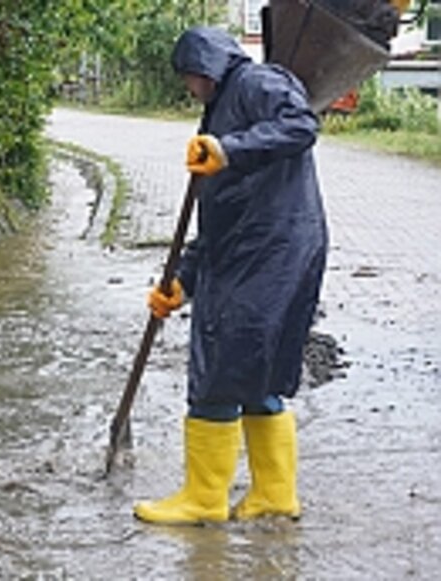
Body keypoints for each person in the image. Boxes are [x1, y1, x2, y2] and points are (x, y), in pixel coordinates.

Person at [134, 27, 327, 524]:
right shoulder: (222, 109)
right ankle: (275, 494)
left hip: (267, 253)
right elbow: (217, 218)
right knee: (255, 370)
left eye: (188, 79)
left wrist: (229, 148)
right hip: (258, 250)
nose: (188, 89)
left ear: (205, 68)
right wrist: (182, 280)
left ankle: (203, 500)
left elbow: (302, 125)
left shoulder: (260, 84)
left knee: (221, 366)